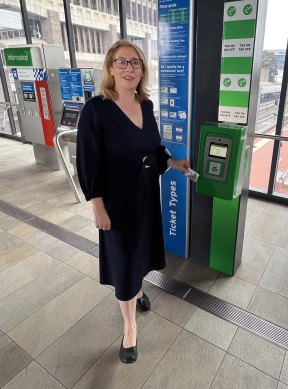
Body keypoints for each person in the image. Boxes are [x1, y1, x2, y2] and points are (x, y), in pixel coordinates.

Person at [76, 40, 190, 364]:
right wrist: (96, 204)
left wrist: (171, 162)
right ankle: (130, 329)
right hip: (116, 200)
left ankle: (137, 290)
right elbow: (88, 161)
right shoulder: (96, 109)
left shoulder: (147, 105)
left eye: (135, 63)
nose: (129, 69)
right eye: (122, 62)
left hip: (146, 195)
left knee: (140, 251)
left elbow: (154, 147)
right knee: (124, 259)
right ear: (110, 68)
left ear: (143, 69)